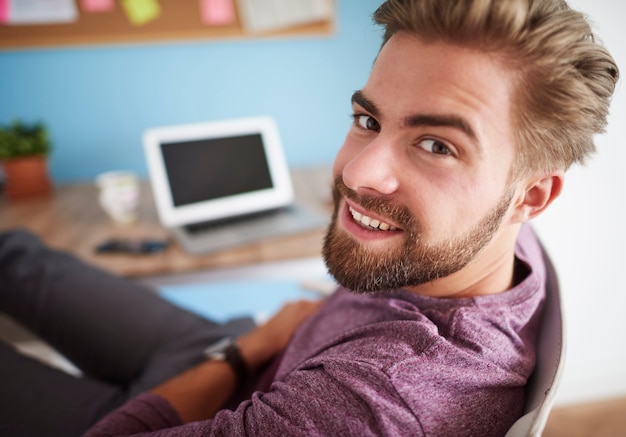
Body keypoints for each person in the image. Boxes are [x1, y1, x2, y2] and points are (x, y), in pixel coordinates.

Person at [0, 0, 618, 435]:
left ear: (532, 197)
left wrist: (245, 353)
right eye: (369, 121)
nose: (356, 173)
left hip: (240, 379)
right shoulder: (497, 245)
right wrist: (261, 343)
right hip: (253, 349)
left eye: (437, 145)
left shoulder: (377, 402)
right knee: (19, 257)